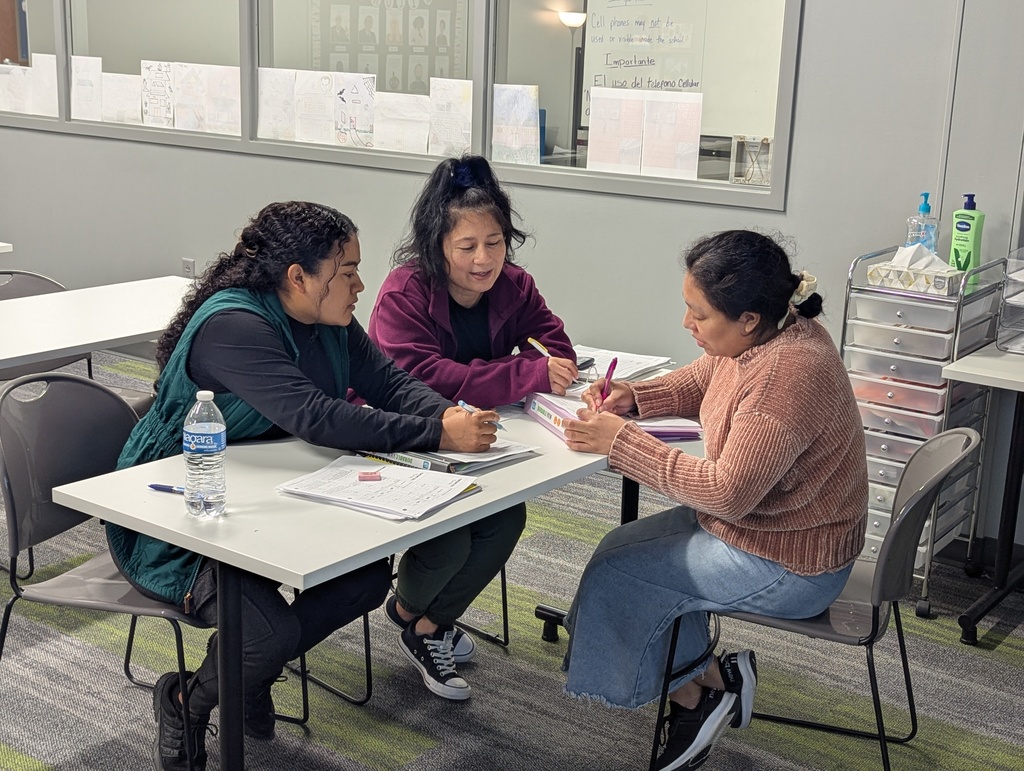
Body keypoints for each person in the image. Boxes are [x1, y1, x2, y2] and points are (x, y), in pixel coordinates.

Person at [107, 201, 500, 771]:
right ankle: (186, 699)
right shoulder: (233, 326)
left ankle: (245, 677)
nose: (360, 284)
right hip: (182, 511)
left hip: (269, 498)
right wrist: (439, 434)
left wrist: (457, 421)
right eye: (347, 272)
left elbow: (388, 381)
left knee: (364, 581)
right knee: (264, 635)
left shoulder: (327, 318)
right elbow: (316, 416)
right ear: (297, 277)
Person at [559, 230, 868, 770]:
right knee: (619, 547)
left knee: (623, 574)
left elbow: (727, 493)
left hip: (792, 564)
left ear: (747, 317)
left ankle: (696, 700)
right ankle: (712, 679)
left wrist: (621, 442)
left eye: (697, 315)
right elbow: (706, 378)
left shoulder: (787, 375)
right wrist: (638, 397)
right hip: (771, 533)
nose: (687, 324)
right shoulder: (769, 333)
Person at [367, 155, 577, 700]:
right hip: (402, 436)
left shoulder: (515, 285)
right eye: (468, 247)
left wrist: (541, 365)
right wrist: (523, 373)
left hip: (478, 437)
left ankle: (423, 623)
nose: (484, 260)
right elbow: (422, 380)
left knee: (506, 517)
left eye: (496, 243)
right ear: (438, 245)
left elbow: (555, 346)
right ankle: (420, 615)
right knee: (455, 531)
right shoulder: (403, 292)